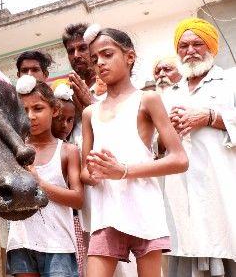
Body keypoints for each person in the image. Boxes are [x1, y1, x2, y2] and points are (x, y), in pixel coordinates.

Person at [80, 26, 188, 277]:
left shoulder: (147, 100)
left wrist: (124, 171)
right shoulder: (89, 113)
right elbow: (85, 172)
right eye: (95, 59)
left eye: (107, 54)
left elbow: (179, 159)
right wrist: (94, 174)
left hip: (144, 211)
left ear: (129, 57)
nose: (100, 63)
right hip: (106, 213)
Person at [162, 17, 236, 277]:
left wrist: (208, 117)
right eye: (183, 46)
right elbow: (157, 145)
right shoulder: (169, 94)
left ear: (212, 47)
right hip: (182, 194)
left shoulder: (231, 81)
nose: (190, 51)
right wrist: (166, 130)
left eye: (197, 44)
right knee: (187, 251)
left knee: (226, 243)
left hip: (224, 190)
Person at [7, 75, 82, 277]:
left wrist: (40, 184)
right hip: (21, 242)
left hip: (58, 245)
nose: (30, 116)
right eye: (24, 110)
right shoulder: (14, 150)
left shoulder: (68, 151)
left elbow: (78, 199)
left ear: (55, 110)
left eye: (38, 108)